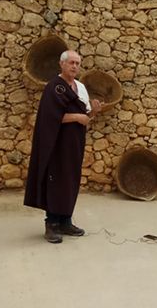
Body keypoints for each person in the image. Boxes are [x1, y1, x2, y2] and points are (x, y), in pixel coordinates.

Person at [24, 50, 102, 244]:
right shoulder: (54, 87)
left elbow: (84, 116)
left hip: (74, 143)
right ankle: (52, 224)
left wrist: (93, 112)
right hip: (56, 143)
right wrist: (77, 117)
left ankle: (66, 221)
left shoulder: (80, 88)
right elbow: (50, 118)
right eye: (71, 63)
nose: (74, 66)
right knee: (56, 179)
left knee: (70, 179)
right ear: (62, 64)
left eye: (77, 63)